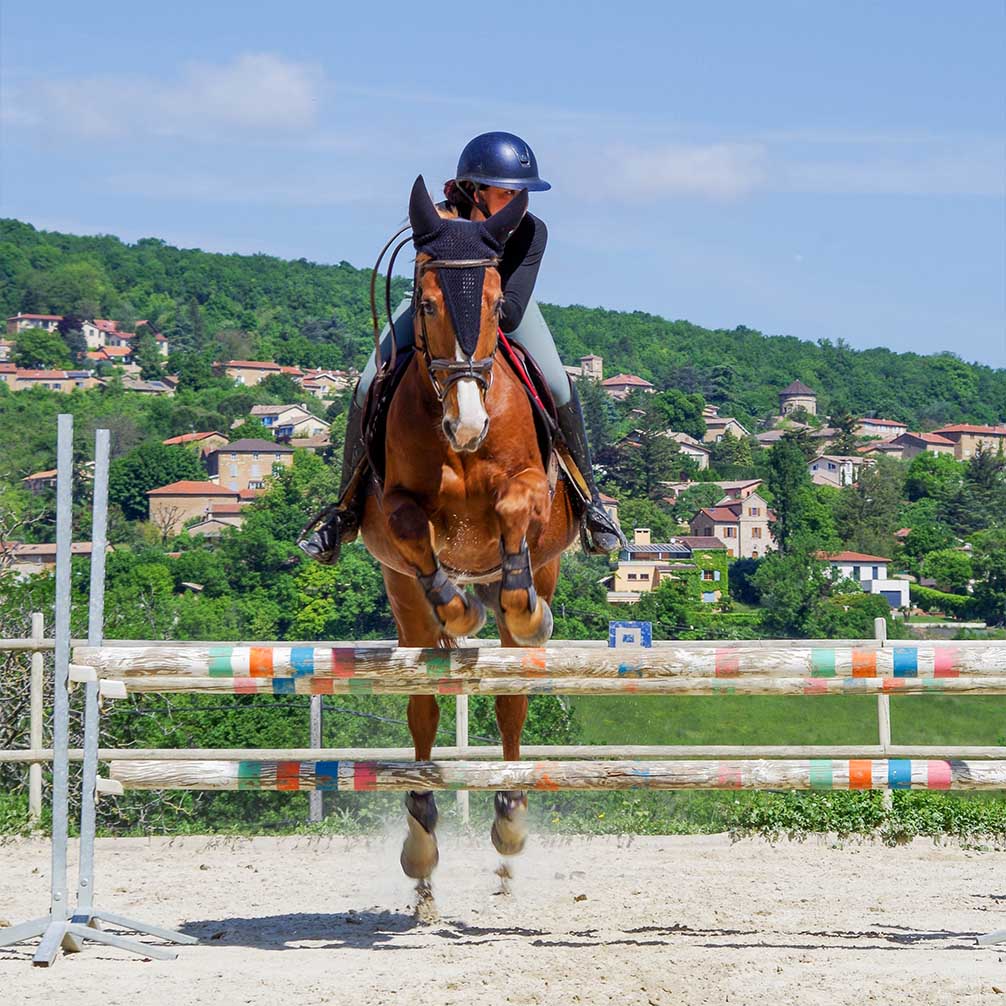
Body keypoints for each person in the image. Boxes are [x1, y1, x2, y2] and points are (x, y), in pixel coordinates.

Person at [300, 131, 625, 563]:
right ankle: (343, 511)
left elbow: (509, 313)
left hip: (506, 308)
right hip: (437, 311)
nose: (515, 201)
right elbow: (429, 284)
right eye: (505, 191)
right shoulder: (438, 219)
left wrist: (485, 305)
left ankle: (591, 503)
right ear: (474, 188)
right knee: (364, 384)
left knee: (561, 384)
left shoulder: (530, 231)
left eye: (520, 193)